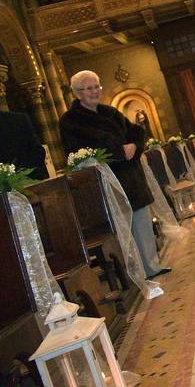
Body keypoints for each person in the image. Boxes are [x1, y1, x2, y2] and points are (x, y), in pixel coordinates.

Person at [59, 70, 168, 278]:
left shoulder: (110, 112)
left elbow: (135, 131)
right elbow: (79, 152)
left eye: (97, 87)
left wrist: (135, 146)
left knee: (143, 224)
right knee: (122, 229)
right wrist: (120, 151)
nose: (94, 92)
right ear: (78, 93)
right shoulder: (70, 121)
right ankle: (133, 273)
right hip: (106, 180)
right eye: (89, 88)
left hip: (131, 176)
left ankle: (152, 267)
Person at [0, 110, 48, 178]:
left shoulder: (18, 120)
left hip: (30, 180)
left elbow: (38, 152)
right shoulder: (19, 119)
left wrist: (18, 172)